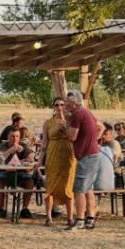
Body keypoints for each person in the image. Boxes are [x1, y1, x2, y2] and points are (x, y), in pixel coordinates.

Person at [67, 92, 104, 231]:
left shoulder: (77, 115)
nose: (65, 105)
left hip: (86, 156)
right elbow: (101, 127)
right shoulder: (87, 112)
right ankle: (90, 219)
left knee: (79, 189)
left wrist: (65, 124)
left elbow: (72, 136)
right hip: (94, 154)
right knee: (88, 188)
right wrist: (93, 140)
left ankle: (80, 220)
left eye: (67, 102)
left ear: (74, 103)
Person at [41, 98, 75, 228]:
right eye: (57, 105)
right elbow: (44, 143)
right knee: (51, 185)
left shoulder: (71, 121)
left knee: (68, 185)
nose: (60, 107)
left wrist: (66, 129)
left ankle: (70, 217)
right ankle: (49, 218)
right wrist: (39, 161)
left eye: (62, 104)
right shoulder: (48, 123)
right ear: (53, 107)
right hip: (53, 155)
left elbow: (75, 138)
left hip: (68, 155)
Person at [0, 126, 31, 219]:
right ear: (8, 136)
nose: (15, 139)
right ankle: (1, 208)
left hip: (20, 173)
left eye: (17, 136)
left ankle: (25, 209)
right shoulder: (3, 146)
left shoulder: (23, 146)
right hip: (5, 172)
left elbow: (31, 158)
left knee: (29, 180)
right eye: (13, 136)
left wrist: (25, 159)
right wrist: (10, 151)